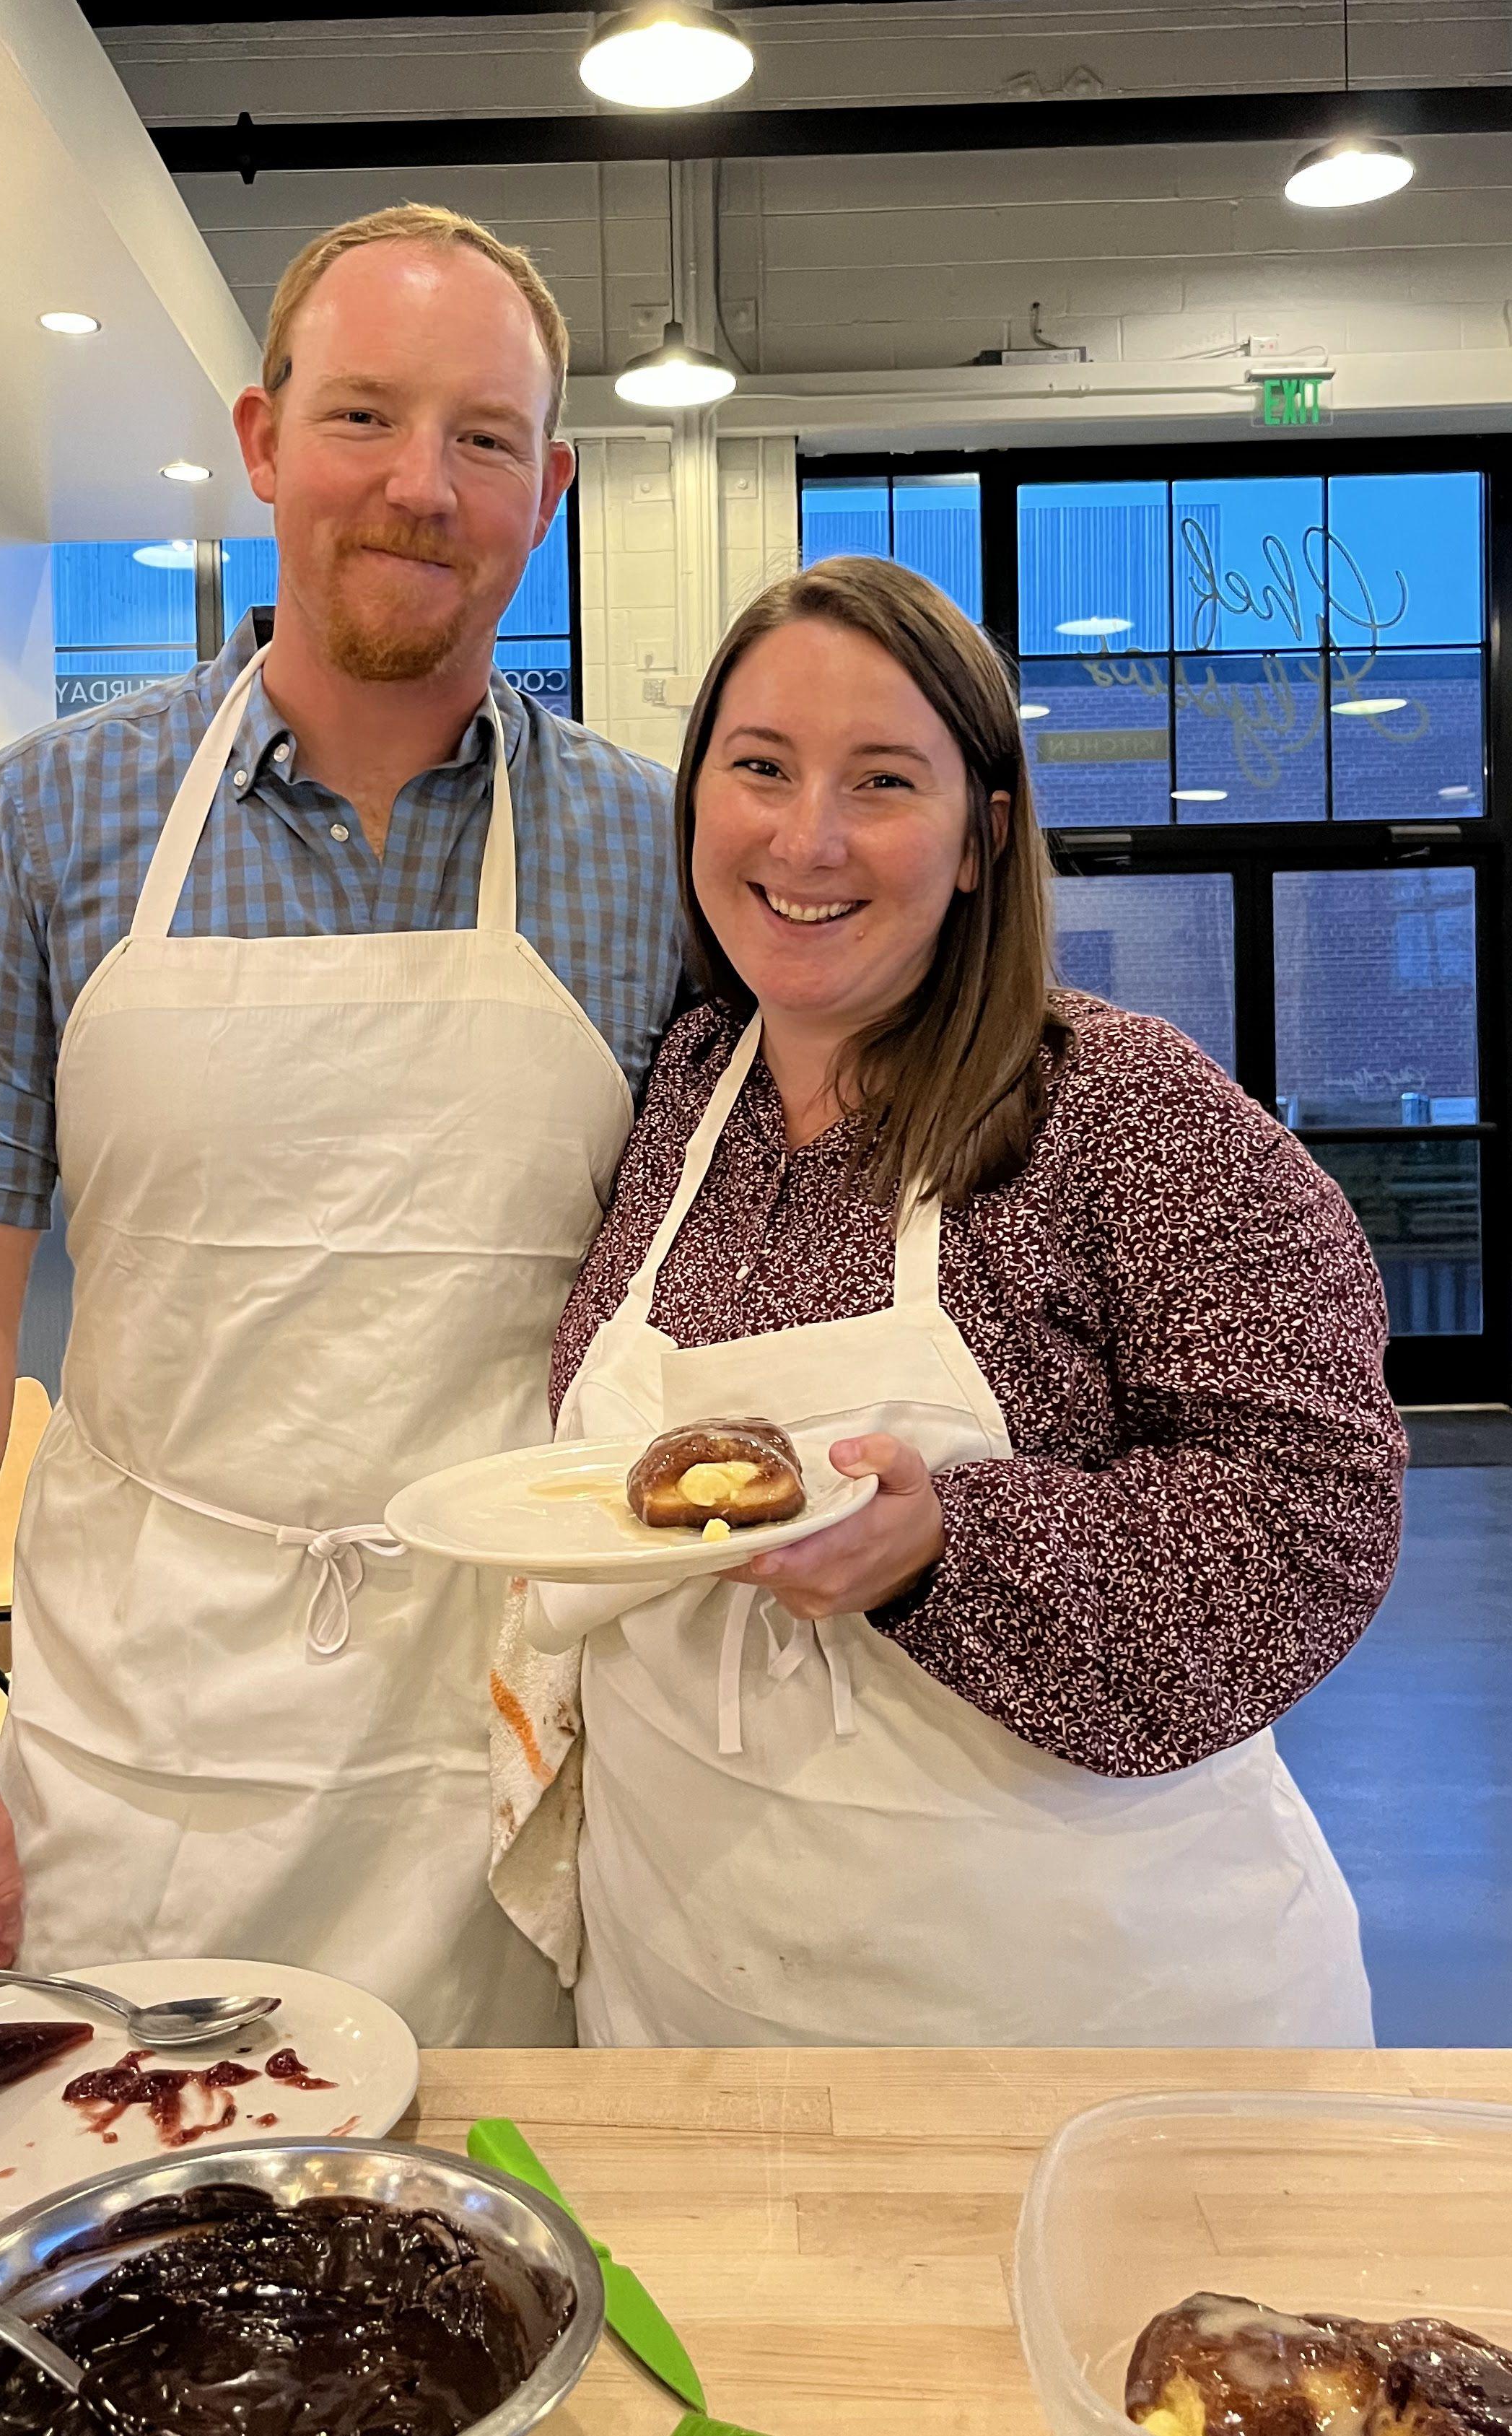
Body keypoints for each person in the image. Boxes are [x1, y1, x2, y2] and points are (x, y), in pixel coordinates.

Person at [0, 204, 686, 2045]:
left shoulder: (652, 848)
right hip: (146, 1738)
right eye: (366, 418)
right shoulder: (49, 821)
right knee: (126, 2252)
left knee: (503, 2249)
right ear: (260, 440)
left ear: (545, 489)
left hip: (521, 1739)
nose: (422, 488)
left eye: (483, 440)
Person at [489, 556, 1403, 2047]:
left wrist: (949, 1549)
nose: (809, 837)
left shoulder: (1122, 1111)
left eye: (885, 783)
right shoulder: (682, 1097)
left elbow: (1315, 1515)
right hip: (696, 1993)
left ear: (982, 840)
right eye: (761, 769)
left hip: (1071, 2014)